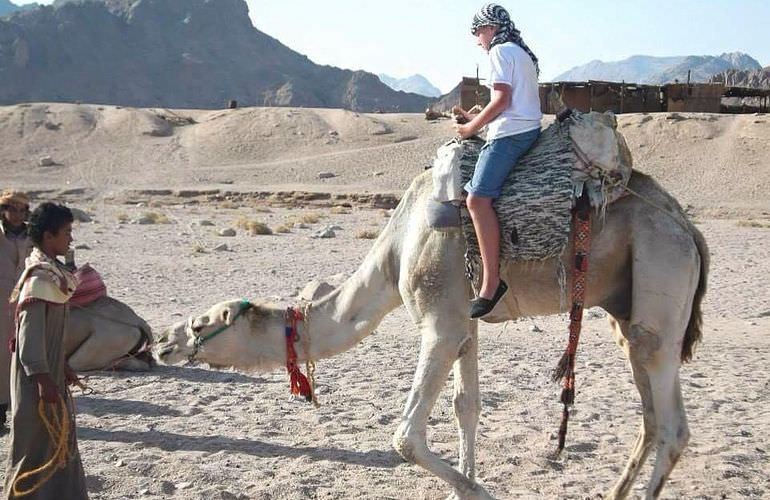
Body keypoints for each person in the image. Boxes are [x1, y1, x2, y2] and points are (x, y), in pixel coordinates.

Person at [453, 3, 542, 319]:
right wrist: (478, 117)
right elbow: (510, 100)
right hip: (526, 128)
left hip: (511, 134)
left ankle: (491, 283)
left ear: (490, 28)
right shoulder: (520, 53)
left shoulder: (500, 52)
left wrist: (469, 129)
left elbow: (502, 101)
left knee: (477, 201)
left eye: (478, 31)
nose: (477, 38)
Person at [3, 202, 88, 499]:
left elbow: (52, 332)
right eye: (67, 232)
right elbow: (29, 338)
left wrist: (62, 365)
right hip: (36, 377)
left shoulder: (53, 275)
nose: (71, 239)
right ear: (50, 236)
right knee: (33, 445)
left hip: (51, 371)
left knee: (60, 443)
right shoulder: (39, 280)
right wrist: (42, 379)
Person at [0, 191, 33, 431]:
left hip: (27, 301)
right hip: (1, 303)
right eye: (13, 209)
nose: (18, 215)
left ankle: (24, 412)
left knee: (26, 355)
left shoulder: (34, 235)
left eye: (22, 210)